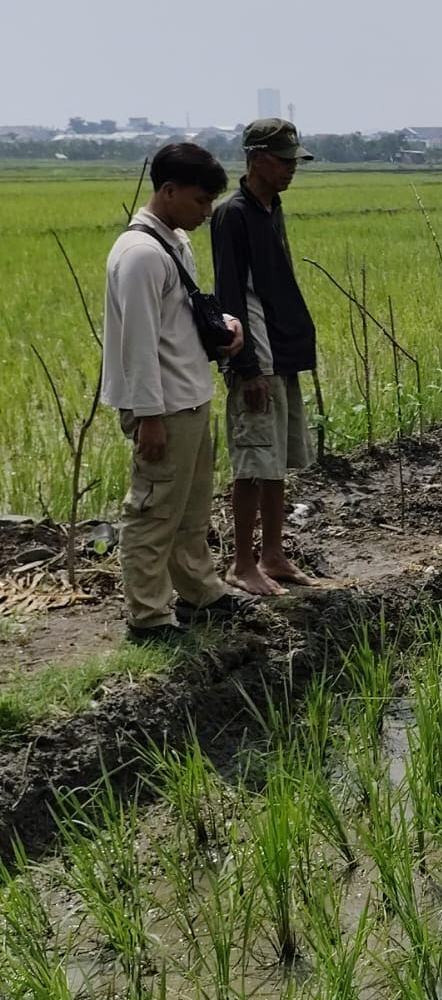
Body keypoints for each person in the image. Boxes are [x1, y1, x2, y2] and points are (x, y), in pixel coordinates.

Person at [101, 143, 252, 640]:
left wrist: (225, 325)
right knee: (152, 510)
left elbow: (177, 320)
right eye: (200, 200)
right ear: (168, 191)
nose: (207, 212)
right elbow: (138, 345)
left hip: (189, 396)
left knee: (190, 509)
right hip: (162, 406)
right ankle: (148, 616)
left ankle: (199, 594)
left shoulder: (174, 241)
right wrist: (148, 417)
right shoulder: (141, 254)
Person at [210, 118, 319, 595]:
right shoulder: (233, 213)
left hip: (284, 349)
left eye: (294, 161)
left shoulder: (271, 208)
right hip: (256, 355)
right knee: (253, 461)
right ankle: (241, 563)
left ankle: (273, 554)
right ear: (257, 160)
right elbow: (230, 292)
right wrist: (246, 366)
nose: (291, 170)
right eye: (284, 161)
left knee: (276, 459)